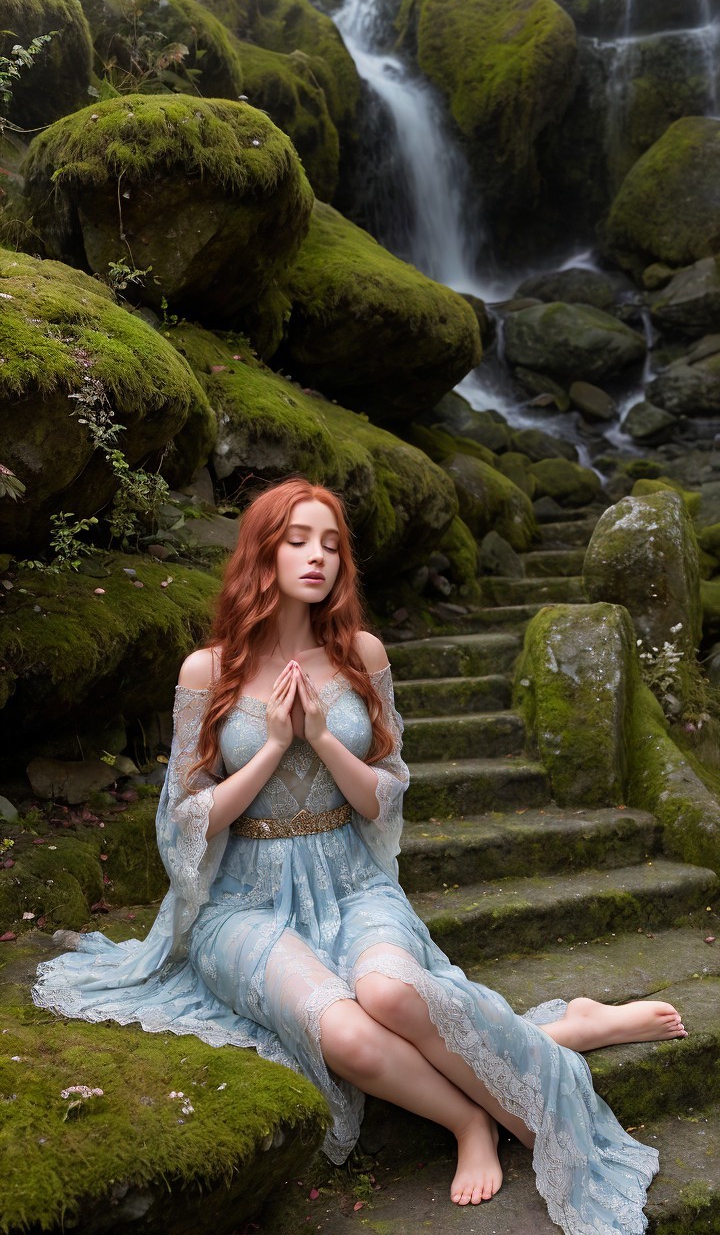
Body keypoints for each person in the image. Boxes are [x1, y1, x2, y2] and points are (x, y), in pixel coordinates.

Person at [33, 478, 688, 1232]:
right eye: (299, 540)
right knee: (342, 1029)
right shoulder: (206, 672)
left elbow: (383, 795)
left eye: (332, 545)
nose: (317, 558)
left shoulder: (359, 656)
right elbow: (187, 820)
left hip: (349, 880)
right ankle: (477, 1117)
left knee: (393, 996)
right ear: (263, 552)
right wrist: (273, 745)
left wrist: (317, 738)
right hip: (243, 902)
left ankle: (573, 1026)